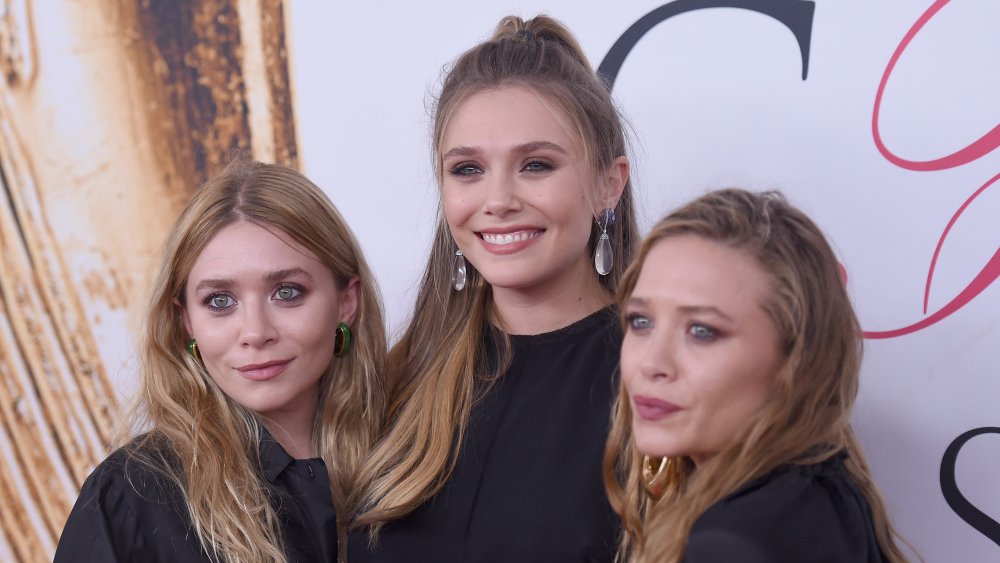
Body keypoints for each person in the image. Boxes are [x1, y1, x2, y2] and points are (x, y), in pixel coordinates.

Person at [349, 14, 639, 563]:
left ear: (608, 182)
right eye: (467, 170)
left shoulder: (657, 381)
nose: (498, 199)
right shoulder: (398, 378)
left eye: (535, 165)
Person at [54, 158, 388, 562]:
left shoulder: (416, 461)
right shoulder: (131, 498)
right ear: (187, 322)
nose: (254, 332)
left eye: (287, 292)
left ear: (345, 302)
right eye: (220, 301)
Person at [604, 189, 909, 562]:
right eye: (641, 321)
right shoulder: (825, 494)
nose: (652, 363)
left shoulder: (734, 544)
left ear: (796, 359)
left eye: (702, 331)